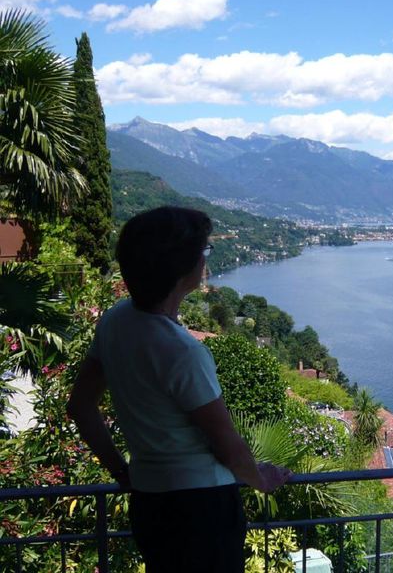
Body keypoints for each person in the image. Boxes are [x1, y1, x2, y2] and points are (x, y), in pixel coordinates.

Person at [67, 206, 291, 572]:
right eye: (204, 253)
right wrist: (261, 478)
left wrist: (123, 473)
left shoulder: (115, 322)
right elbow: (228, 447)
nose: (205, 263)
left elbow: (80, 406)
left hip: (150, 504)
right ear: (183, 269)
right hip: (202, 513)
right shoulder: (182, 352)